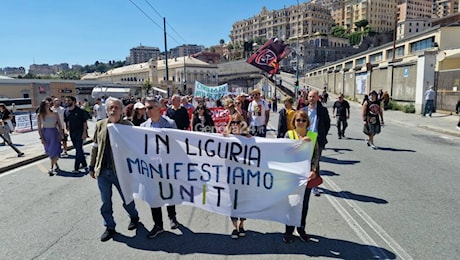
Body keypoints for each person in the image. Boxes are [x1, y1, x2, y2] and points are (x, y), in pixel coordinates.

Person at [88, 97, 140, 242]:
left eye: (116, 107)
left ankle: (134, 217)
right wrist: (92, 166)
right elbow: (95, 147)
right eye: (111, 107)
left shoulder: (128, 126)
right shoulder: (100, 125)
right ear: (106, 110)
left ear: (122, 110)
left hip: (121, 172)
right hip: (103, 171)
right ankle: (109, 226)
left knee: (127, 199)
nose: (113, 109)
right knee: (105, 202)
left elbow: (135, 149)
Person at [140, 97, 180, 239]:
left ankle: (172, 217)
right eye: (145, 108)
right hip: (151, 168)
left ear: (158, 108)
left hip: (167, 166)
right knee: (153, 196)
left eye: (150, 108)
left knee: (169, 192)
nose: (147, 111)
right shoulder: (143, 126)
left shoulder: (169, 123)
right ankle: (158, 225)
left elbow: (175, 145)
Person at [283, 110, 320, 243]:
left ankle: (301, 228)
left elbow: (316, 155)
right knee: (291, 203)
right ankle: (289, 230)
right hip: (292, 176)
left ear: (307, 122)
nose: (301, 122)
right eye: (298, 120)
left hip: (306, 176)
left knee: (304, 204)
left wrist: (314, 170)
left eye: (303, 120)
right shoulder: (289, 135)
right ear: (294, 122)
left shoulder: (313, 136)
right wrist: (300, 143)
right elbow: (284, 152)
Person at [223, 113, 251, 239]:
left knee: (243, 201)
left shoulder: (249, 139)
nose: (235, 125)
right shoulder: (226, 138)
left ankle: (242, 224)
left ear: (242, 125)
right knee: (233, 201)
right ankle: (234, 227)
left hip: (244, 176)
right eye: (233, 123)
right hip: (231, 176)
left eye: (238, 123)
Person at [301, 89, 331, 196]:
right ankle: (304, 182)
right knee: (304, 161)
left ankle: (315, 185)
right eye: (309, 97)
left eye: (313, 97)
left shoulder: (322, 110)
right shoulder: (303, 110)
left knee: (315, 162)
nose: (311, 99)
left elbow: (327, 124)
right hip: (305, 138)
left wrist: (322, 136)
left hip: (317, 139)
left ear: (318, 98)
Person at [64, 96, 89, 173]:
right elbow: (66, 122)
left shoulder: (80, 111)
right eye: (66, 100)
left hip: (80, 132)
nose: (67, 102)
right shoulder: (66, 111)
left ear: (74, 101)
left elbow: (85, 122)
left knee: (78, 150)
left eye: (69, 100)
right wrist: (65, 129)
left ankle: (76, 168)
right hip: (72, 132)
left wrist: (84, 133)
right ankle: (84, 164)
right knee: (79, 149)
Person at [37, 100, 63, 176]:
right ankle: (54, 165)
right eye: (47, 105)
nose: (49, 106)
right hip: (46, 133)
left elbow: (60, 125)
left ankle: (52, 167)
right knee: (50, 151)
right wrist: (41, 138)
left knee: (54, 150)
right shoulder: (40, 115)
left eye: (49, 104)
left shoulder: (55, 113)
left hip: (54, 133)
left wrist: (61, 134)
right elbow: (39, 128)